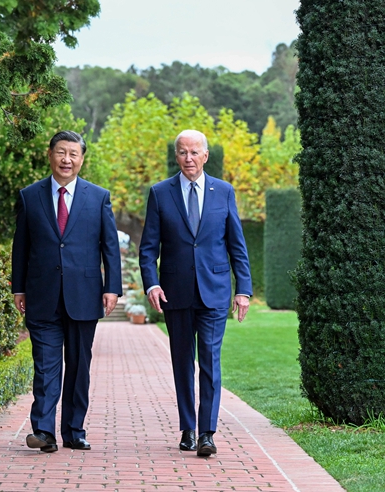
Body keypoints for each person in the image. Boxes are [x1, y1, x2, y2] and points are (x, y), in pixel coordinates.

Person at [139, 129, 252, 457]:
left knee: (210, 363)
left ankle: (207, 433)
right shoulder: (160, 193)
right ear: (177, 156)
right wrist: (152, 282)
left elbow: (237, 247)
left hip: (215, 292)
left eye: (194, 152)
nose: (189, 158)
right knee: (182, 362)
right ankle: (187, 428)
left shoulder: (224, 191)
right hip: (175, 293)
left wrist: (242, 289)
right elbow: (148, 248)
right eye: (182, 152)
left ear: (205, 156)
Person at [11, 130, 123, 453]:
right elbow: (22, 247)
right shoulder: (30, 196)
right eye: (61, 152)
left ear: (82, 159)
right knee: (45, 366)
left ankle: (74, 430)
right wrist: (18, 286)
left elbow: (110, 247)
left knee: (77, 366)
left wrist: (111, 287)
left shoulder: (98, 197)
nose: (66, 160)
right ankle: (43, 431)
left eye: (73, 154)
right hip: (42, 295)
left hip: (85, 295)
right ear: (50, 155)